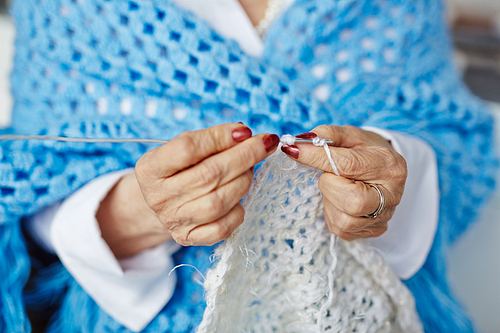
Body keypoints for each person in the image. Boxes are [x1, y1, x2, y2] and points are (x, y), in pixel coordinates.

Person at [1, 0, 497, 332]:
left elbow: (450, 136)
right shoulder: (63, 11)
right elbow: (28, 174)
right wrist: (119, 220)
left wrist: (388, 172)